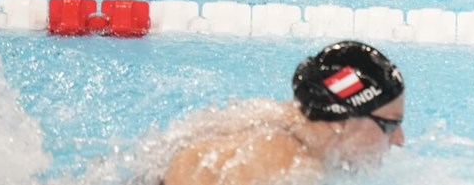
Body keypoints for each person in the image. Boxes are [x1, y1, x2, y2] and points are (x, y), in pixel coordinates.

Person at [161, 40, 405, 185]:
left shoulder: (281, 119)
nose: (399, 140)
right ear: (339, 120)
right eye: (390, 125)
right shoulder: (292, 168)